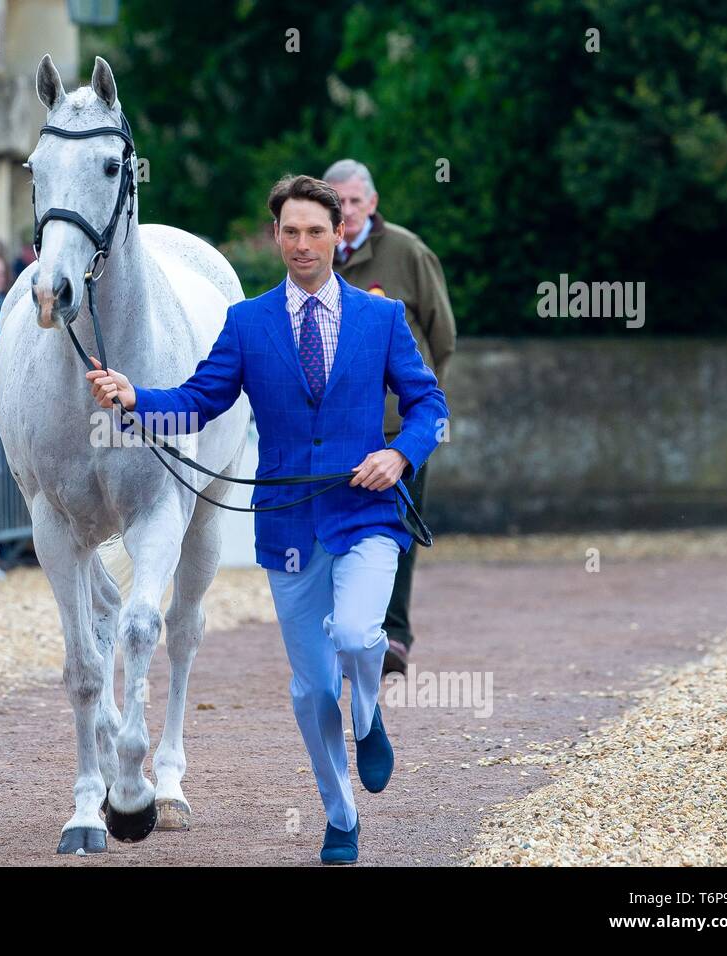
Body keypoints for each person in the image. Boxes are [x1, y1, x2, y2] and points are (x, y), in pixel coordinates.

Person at [85, 175, 448, 865]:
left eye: (315, 231)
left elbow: (430, 405)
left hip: (367, 513)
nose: (302, 244)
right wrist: (135, 396)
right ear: (276, 237)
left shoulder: (383, 318)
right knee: (312, 687)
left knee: (359, 631)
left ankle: (368, 715)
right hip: (286, 527)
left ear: (340, 235)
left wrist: (400, 454)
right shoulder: (248, 323)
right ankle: (340, 817)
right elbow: (198, 401)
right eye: (290, 232)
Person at [325, 159, 456, 676]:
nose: (349, 211)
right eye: (339, 202)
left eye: (357, 201)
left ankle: (394, 636)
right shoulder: (313, 254)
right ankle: (344, 632)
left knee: (397, 529)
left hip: (399, 430)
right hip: (334, 429)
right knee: (338, 531)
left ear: (372, 204)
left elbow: (441, 335)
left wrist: (414, 401)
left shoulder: (408, 251)